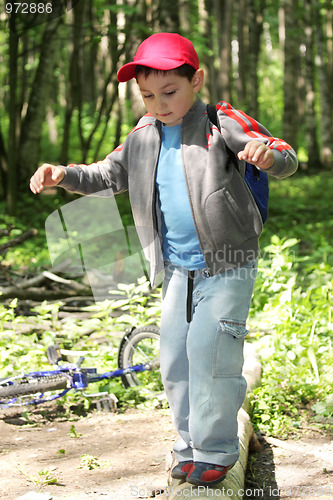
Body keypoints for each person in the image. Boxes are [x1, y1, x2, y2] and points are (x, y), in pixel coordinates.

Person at [30, 33, 298, 487]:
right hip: (176, 266)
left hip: (228, 261)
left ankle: (216, 450)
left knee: (210, 350)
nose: (159, 103)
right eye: (148, 95)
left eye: (170, 92)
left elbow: (285, 155)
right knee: (173, 356)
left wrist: (267, 156)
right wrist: (65, 175)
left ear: (196, 80)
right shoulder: (143, 133)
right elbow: (105, 173)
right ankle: (189, 444)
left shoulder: (221, 122)